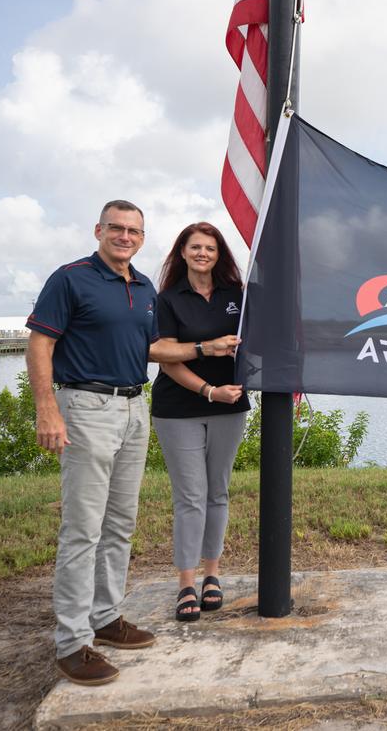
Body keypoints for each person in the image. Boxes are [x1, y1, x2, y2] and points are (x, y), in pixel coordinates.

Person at [26, 200, 240, 686]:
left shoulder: (143, 287)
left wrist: (206, 348)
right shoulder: (71, 278)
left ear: (143, 238)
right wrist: (47, 408)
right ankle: (72, 642)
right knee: (83, 528)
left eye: (134, 231)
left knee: (120, 523)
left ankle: (106, 618)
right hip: (85, 407)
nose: (125, 237)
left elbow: (153, 349)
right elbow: (40, 343)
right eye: (117, 229)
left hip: (132, 407)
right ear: (98, 229)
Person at [150, 222, 249, 623]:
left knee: (217, 493)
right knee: (191, 497)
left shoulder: (237, 297)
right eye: (196, 247)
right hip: (179, 408)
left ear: (219, 254)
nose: (203, 253)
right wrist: (209, 388)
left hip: (231, 406)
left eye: (210, 248)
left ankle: (213, 576)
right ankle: (186, 584)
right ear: (183, 252)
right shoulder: (168, 299)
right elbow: (163, 355)